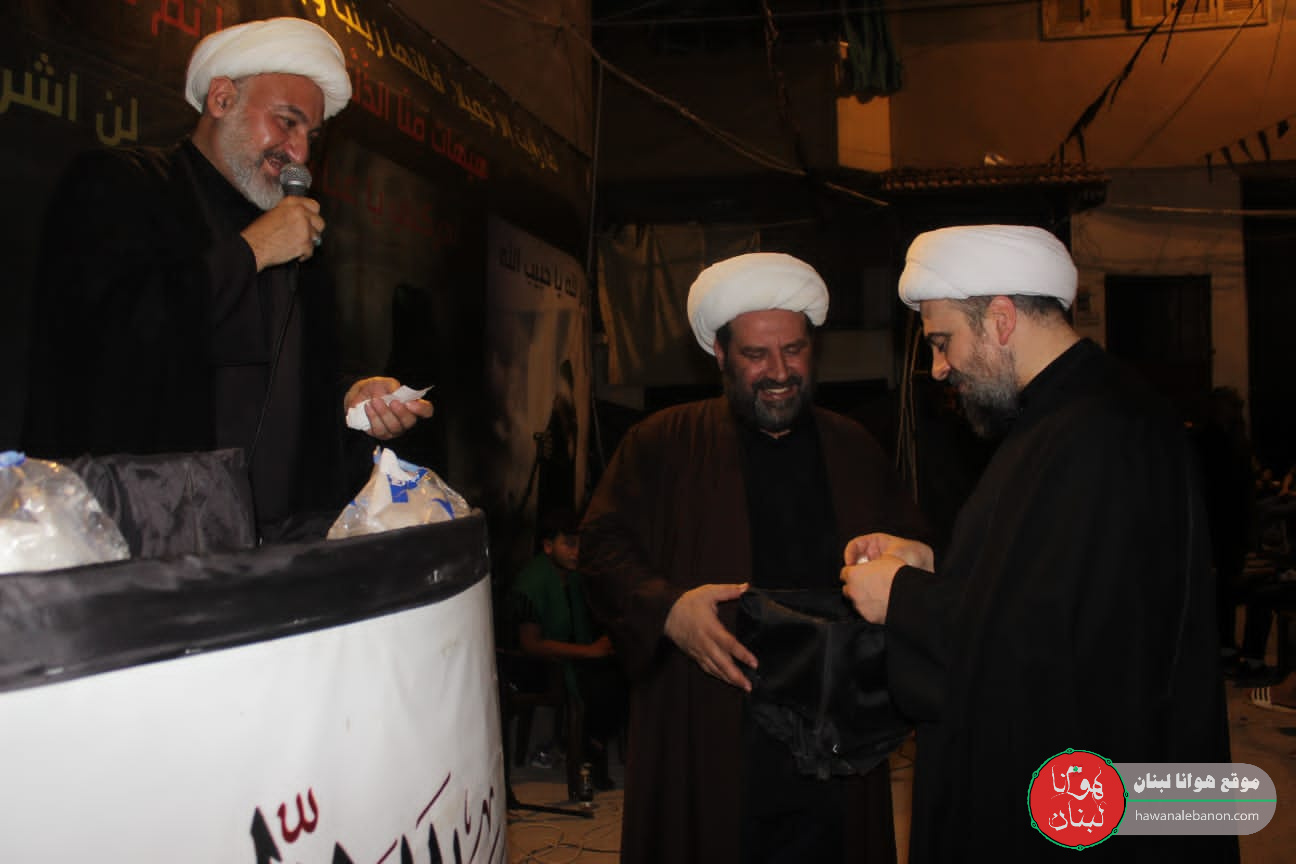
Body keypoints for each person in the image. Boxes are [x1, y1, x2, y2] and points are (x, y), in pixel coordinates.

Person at [840, 225, 1236, 861]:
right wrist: (932, 563)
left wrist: (904, 599)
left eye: (942, 341)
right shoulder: (1064, 417)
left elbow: (1053, 643)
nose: (937, 368)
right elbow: (1042, 568)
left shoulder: (1101, 432)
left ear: (1000, 320)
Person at [23, 17, 432, 539]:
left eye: (310, 134)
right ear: (221, 99)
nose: (300, 153)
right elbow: (103, 344)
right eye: (287, 122)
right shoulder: (122, 187)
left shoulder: (299, 239)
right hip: (141, 541)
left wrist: (352, 399)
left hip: (278, 548)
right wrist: (251, 252)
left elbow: (287, 382)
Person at [581, 252, 926, 864]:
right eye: (755, 355)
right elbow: (602, 549)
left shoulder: (854, 448)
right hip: (713, 717)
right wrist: (668, 611)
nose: (779, 372)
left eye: (793, 350)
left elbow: (912, 556)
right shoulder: (661, 444)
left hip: (835, 727)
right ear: (719, 354)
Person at [505, 507, 622, 791]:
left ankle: (591, 744)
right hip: (535, 667)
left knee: (624, 669)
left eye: (579, 544)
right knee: (603, 684)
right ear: (548, 546)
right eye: (569, 544)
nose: (576, 552)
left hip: (569, 655)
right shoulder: (532, 582)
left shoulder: (573, 576)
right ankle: (588, 753)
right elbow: (531, 644)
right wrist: (589, 652)